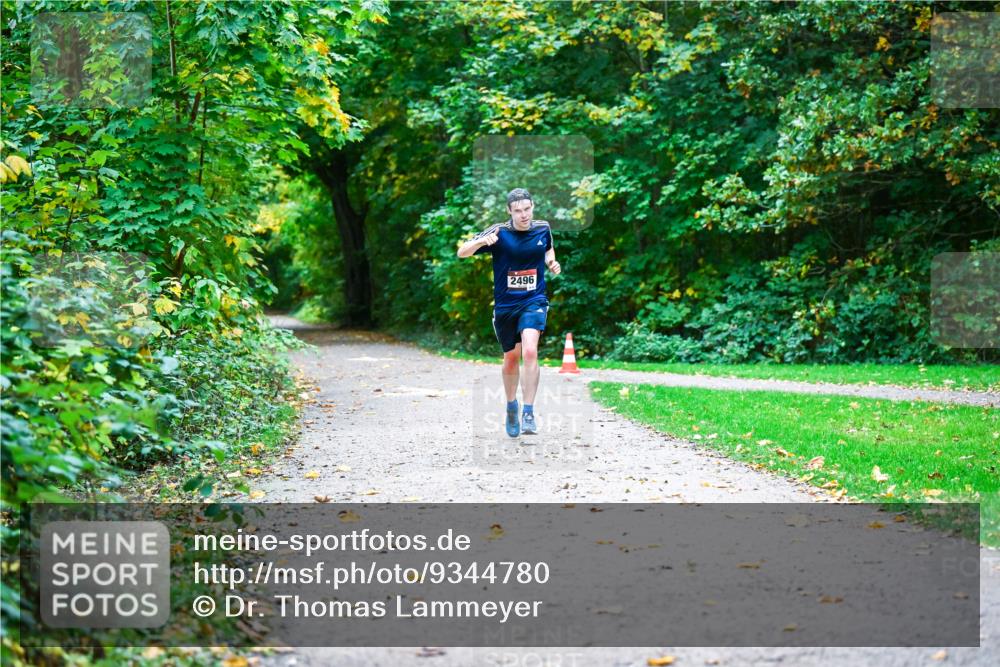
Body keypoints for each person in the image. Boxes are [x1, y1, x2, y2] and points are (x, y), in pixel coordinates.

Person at [456, 188, 561, 437]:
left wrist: (550, 261)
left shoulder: (542, 228)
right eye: (518, 211)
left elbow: (547, 248)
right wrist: (482, 241)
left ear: (532, 206)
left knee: (530, 350)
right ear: (509, 211)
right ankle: (512, 405)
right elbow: (462, 252)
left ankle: (528, 411)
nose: (523, 215)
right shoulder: (498, 232)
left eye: (527, 209)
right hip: (505, 305)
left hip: (534, 299)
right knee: (511, 358)